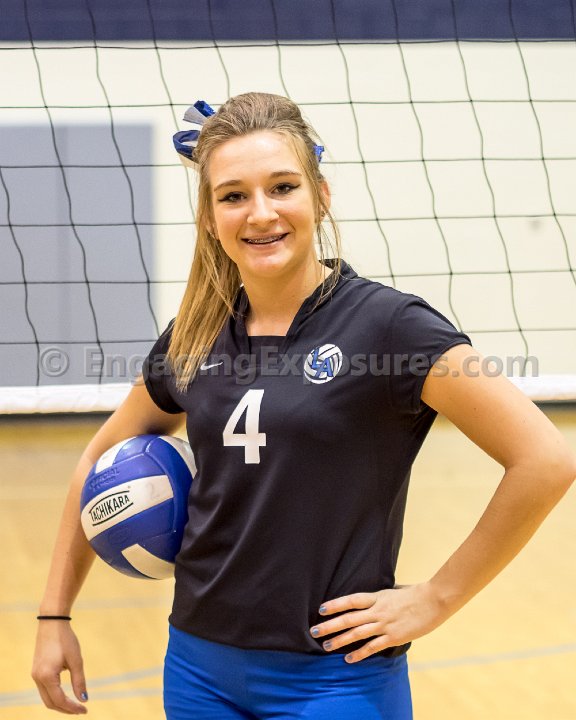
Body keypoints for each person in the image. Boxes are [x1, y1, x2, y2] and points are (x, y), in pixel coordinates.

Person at [32, 92, 575, 719]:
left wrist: (437, 597)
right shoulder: (195, 333)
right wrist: (54, 615)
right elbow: (95, 463)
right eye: (233, 195)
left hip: (335, 678)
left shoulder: (391, 327)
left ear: (320, 195)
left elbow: (545, 459)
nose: (260, 213)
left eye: (282, 187)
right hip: (197, 667)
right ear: (209, 218)